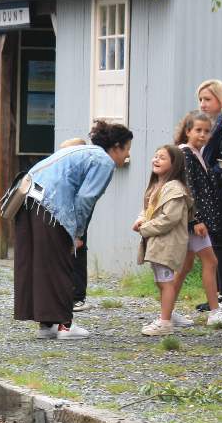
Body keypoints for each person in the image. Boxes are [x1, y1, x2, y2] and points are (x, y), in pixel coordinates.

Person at [13, 121, 133, 340]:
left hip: (28, 200)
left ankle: (46, 324)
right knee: (62, 264)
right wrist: (76, 233)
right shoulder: (103, 161)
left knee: (41, 265)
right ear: (116, 146)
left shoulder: (80, 150)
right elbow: (86, 198)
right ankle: (65, 326)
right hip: (52, 206)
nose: (126, 156)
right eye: (126, 149)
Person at [174, 111, 222, 326]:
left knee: (185, 266)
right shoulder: (187, 154)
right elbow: (189, 188)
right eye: (198, 130)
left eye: (207, 131)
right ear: (187, 131)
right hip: (194, 221)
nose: (203, 135)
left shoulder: (196, 153)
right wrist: (196, 219)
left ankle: (168, 309)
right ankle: (214, 312)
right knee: (211, 261)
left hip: (194, 220)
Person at [136, 145, 196, 337]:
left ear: (174, 164)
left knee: (166, 282)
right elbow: (149, 210)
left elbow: (169, 218)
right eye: (155, 156)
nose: (156, 160)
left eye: (162, 158)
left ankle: (165, 322)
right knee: (161, 281)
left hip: (167, 243)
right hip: (157, 242)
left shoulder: (175, 189)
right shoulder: (157, 186)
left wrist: (145, 228)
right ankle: (165, 316)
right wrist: (141, 219)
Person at [195, 80, 222, 312]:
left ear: (220, 99)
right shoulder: (209, 125)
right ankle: (220, 292)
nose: (203, 104)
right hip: (210, 190)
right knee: (213, 242)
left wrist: (213, 177)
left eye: (207, 99)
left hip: (220, 190)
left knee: (220, 241)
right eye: (201, 99)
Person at [58, 137, 92, 312]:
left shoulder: (85, 172)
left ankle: (78, 295)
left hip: (77, 215)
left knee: (77, 250)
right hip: (66, 213)